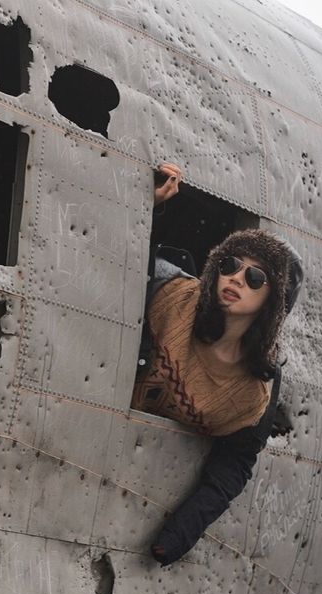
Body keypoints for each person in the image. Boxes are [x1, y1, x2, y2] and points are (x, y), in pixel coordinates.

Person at [134, 164, 303, 566]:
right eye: (229, 265)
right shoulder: (171, 294)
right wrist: (150, 207)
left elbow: (235, 463)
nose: (236, 278)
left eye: (255, 277)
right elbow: (127, 264)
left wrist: (177, 536)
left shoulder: (254, 390)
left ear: (273, 302)